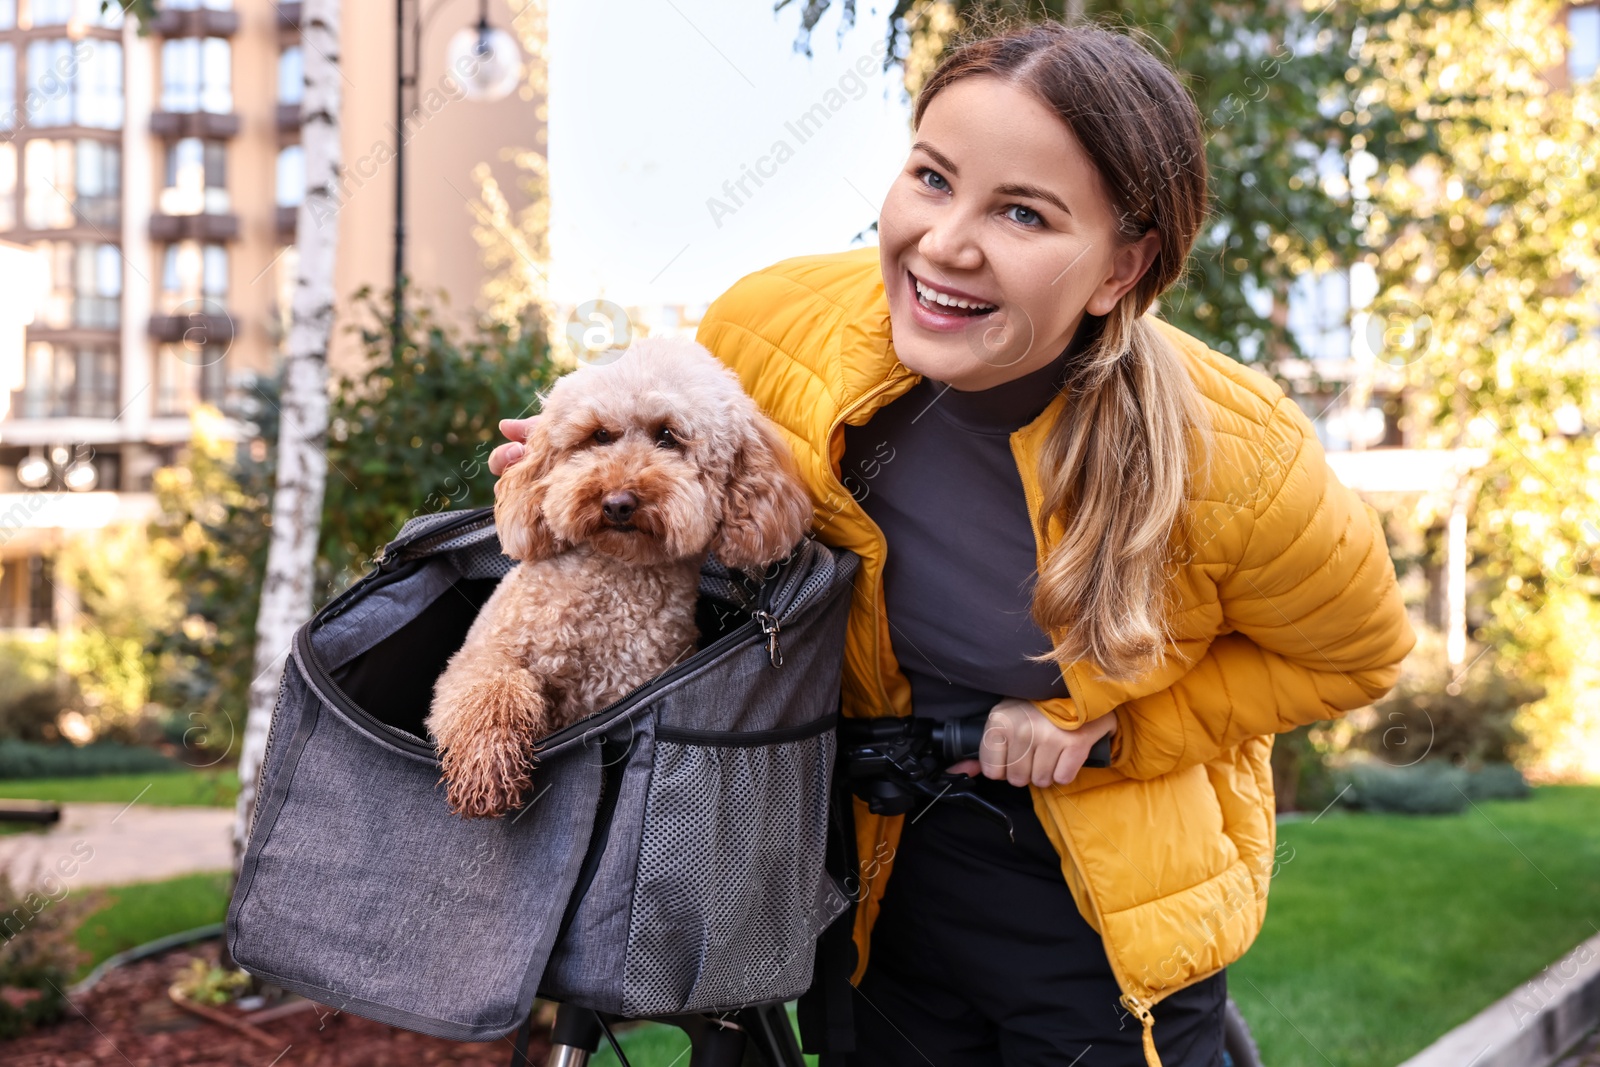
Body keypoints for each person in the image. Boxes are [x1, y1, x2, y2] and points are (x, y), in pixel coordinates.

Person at [490, 21, 1416, 1067]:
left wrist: (1102, 728)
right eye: (932, 178)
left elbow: (1354, 652)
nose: (945, 244)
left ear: (1123, 265)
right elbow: (699, 491)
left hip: (1097, 913)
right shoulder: (766, 333)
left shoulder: (1234, 454)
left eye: (1022, 212)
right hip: (867, 879)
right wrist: (584, 481)